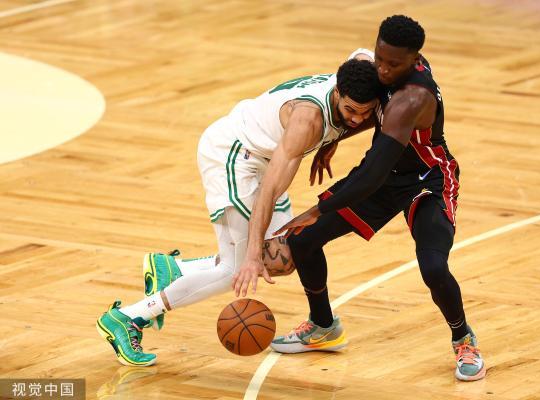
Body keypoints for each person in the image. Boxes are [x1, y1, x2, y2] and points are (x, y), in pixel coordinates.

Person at [95, 58, 381, 366]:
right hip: (233, 156)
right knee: (239, 269)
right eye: (350, 111)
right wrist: (252, 254)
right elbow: (268, 191)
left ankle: (177, 269)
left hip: (264, 156)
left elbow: (364, 55)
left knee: (283, 258)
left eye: (365, 112)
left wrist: (332, 140)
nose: (357, 119)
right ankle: (130, 317)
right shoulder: (307, 121)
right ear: (337, 91)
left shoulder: (362, 72)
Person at [268, 15, 486, 382]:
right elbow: (371, 116)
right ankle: (323, 325)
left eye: (393, 64)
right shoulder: (384, 69)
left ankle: (463, 338)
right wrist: (336, 138)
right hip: (389, 175)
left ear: (415, 59)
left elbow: (371, 175)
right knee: (304, 241)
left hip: (427, 180)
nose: (382, 70)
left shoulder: (412, 98)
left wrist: (318, 208)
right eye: (380, 58)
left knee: (433, 267)